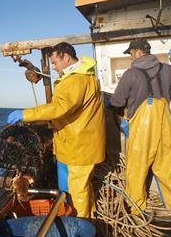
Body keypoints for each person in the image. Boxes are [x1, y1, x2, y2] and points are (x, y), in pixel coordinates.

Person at [7, 42, 105, 218]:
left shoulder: (76, 80)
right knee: (78, 188)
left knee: (78, 192)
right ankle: (82, 218)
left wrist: (26, 114)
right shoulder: (81, 77)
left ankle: (81, 226)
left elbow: (59, 107)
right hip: (74, 144)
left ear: (66, 57)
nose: (53, 67)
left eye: (55, 62)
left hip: (79, 147)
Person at [109, 38, 171, 213]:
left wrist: (118, 115)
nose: (131, 58)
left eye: (131, 54)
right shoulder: (167, 69)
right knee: (167, 166)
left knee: (136, 168)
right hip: (164, 123)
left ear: (139, 52)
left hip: (141, 128)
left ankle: (136, 209)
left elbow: (117, 101)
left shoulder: (130, 74)